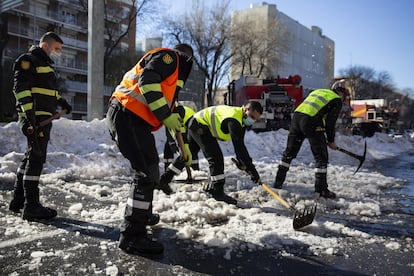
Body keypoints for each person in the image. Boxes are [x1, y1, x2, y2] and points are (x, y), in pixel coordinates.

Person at [106, 43, 194, 255]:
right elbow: (147, 82)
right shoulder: (170, 58)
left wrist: (183, 149)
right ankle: (132, 236)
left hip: (132, 118)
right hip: (126, 114)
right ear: (187, 58)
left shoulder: (170, 81)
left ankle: (142, 214)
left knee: (151, 169)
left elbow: (171, 114)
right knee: (145, 173)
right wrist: (166, 115)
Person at [9, 32, 72, 220]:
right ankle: (31, 206)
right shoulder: (28, 60)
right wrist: (29, 118)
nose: (59, 53)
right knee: (36, 159)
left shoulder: (44, 65)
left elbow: (48, 92)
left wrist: (62, 102)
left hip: (42, 118)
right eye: (57, 49)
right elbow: (20, 90)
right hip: (35, 119)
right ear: (46, 46)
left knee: (31, 157)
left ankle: (18, 200)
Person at [273, 80, 347, 199]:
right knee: (321, 157)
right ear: (342, 93)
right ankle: (321, 190)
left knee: (289, 153)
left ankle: (278, 182)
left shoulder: (319, 91)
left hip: (297, 118)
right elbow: (330, 122)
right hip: (311, 121)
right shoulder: (336, 99)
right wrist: (331, 140)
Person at [187, 101, 263, 205]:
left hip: (199, 124)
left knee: (189, 154)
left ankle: (167, 179)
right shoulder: (234, 120)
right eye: (252, 117)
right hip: (199, 124)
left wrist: (245, 164)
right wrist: (252, 171)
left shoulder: (242, 120)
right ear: (246, 110)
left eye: (255, 119)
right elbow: (239, 147)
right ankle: (217, 193)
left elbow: (240, 146)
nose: (252, 120)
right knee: (215, 157)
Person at [158, 104, 200, 194]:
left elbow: (185, 135)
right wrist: (172, 144)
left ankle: (193, 173)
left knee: (190, 152)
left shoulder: (190, 117)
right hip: (179, 127)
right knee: (168, 150)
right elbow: (170, 132)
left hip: (188, 129)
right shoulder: (170, 117)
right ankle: (166, 176)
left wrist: (184, 146)